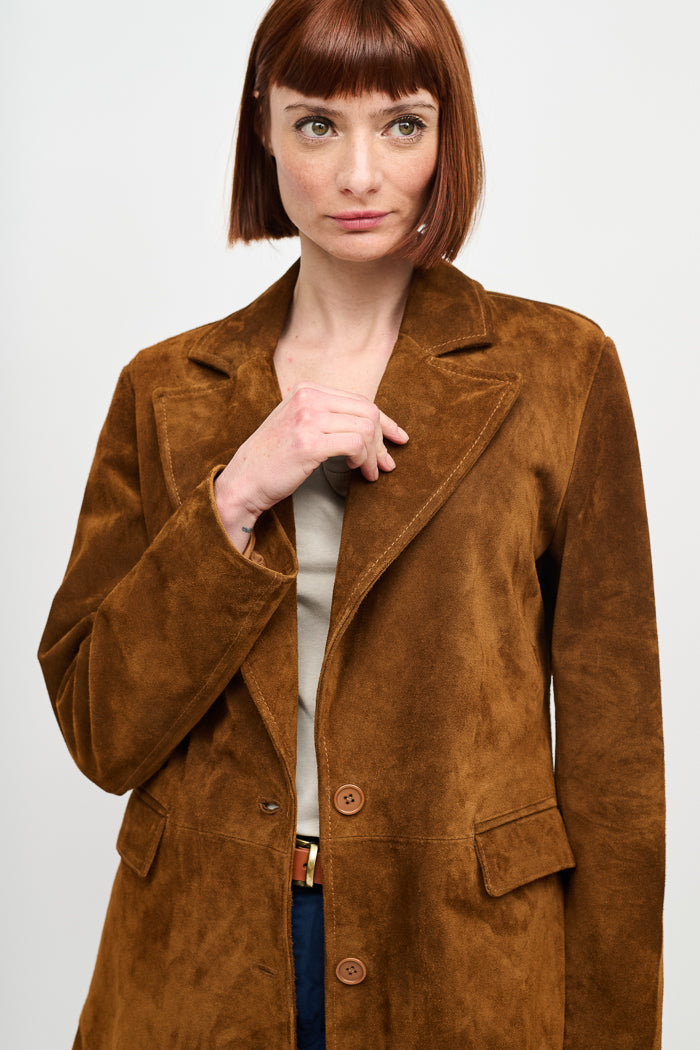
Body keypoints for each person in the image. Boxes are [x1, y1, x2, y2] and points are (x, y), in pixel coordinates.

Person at [38, 0, 665, 1047]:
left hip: (461, 956)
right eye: (318, 124)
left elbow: (616, 767)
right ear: (265, 127)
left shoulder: (561, 371)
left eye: (403, 124)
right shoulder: (167, 391)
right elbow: (103, 733)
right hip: (200, 957)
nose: (359, 173)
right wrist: (235, 495)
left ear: (448, 135)